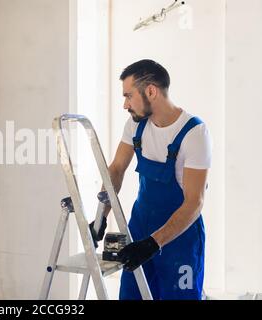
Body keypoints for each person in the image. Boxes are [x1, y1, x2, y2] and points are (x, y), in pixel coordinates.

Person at [89, 59, 212, 300]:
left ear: (151, 91)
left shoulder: (194, 134)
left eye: (128, 96)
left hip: (180, 238)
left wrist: (153, 244)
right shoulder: (136, 126)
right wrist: (101, 215)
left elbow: (194, 203)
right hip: (141, 228)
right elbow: (116, 170)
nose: (125, 105)